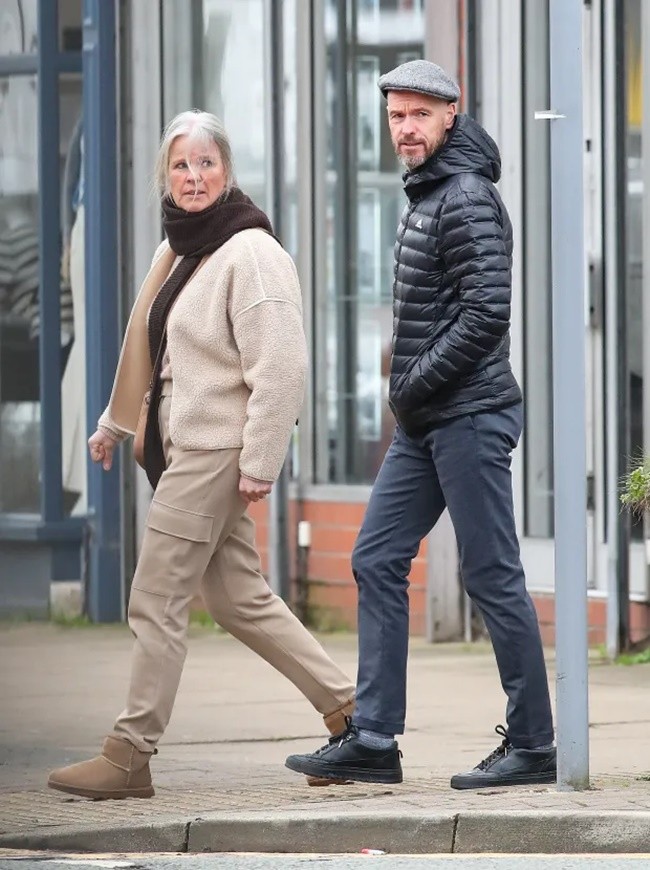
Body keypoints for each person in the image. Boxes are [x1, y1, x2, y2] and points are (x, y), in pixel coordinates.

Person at [48, 110, 354, 800]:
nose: (193, 176)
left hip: (216, 454)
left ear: (227, 171)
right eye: (182, 165)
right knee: (237, 598)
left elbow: (282, 369)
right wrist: (114, 424)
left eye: (206, 163)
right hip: (192, 449)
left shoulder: (250, 253)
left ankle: (129, 754)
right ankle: (353, 714)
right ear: (166, 173)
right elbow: (148, 341)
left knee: (154, 598)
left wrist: (259, 462)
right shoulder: (184, 249)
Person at [285, 60, 556, 790]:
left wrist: (409, 381)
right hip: (428, 420)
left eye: (418, 115)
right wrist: (413, 395)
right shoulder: (429, 192)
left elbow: (486, 314)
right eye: (396, 116)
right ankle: (374, 740)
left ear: (449, 115)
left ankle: (533, 745)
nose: (405, 129)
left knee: (490, 573)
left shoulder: (465, 195)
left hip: (468, 415)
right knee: (376, 557)